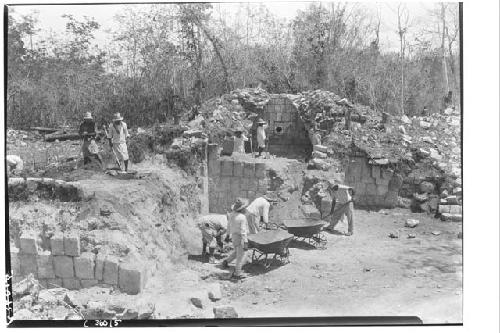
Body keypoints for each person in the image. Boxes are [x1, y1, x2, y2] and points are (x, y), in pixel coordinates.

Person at [222, 198, 249, 279]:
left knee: (237, 251)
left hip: (234, 236)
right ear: (242, 209)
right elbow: (243, 231)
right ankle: (237, 273)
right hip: (240, 237)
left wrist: (227, 235)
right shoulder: (242, 217)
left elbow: (228, 226)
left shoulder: (231, 214)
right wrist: (246, 242)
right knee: (240, 256)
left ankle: (226, 261)